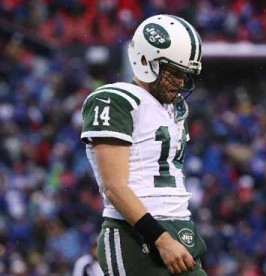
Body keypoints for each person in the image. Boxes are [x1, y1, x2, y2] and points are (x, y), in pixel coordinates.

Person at [81, 14, 207, 275]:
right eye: (173, 72)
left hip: (180, 225)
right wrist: (160, 239)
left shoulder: (177, 109)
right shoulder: (115, 99)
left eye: (184, 73)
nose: (181, 81)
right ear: (144, 61)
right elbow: (114, 187)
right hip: (136, 233)